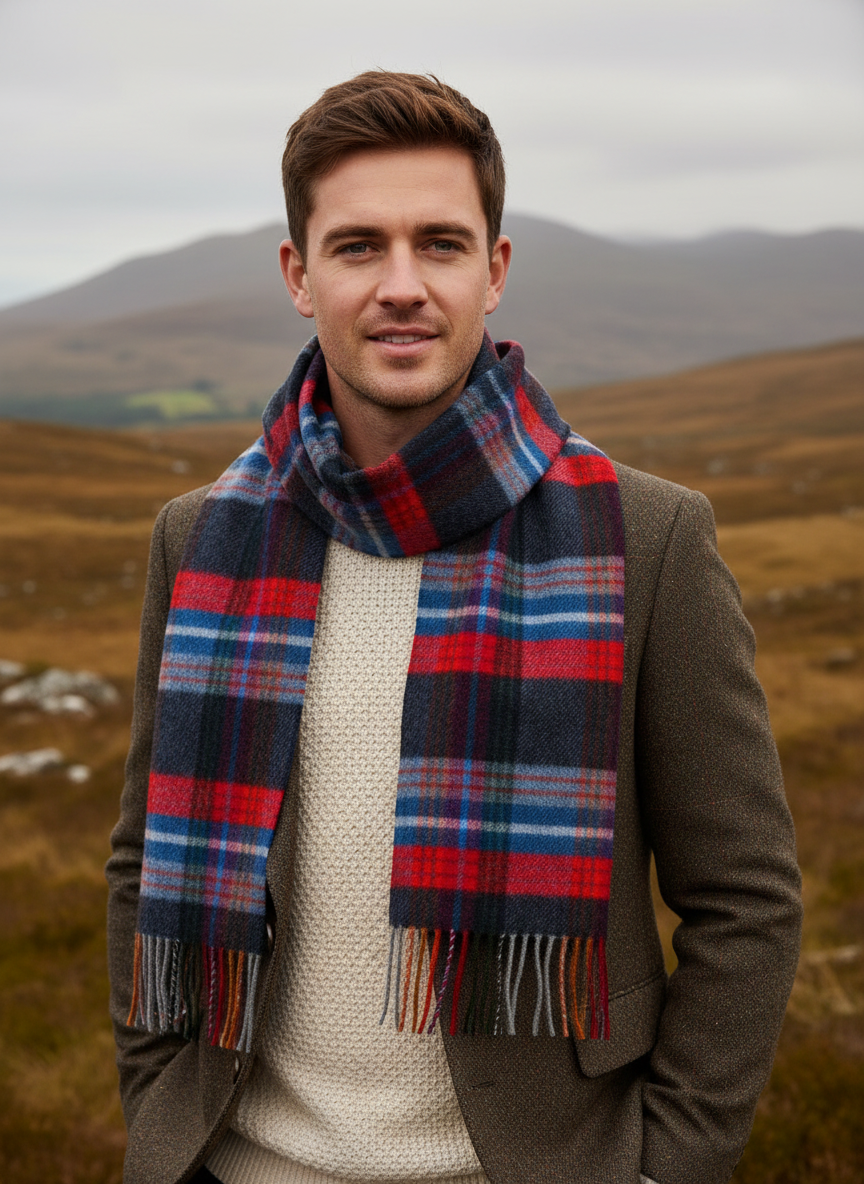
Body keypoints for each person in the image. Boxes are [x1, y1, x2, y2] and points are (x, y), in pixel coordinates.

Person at [106, 71, 802, 1184]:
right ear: (299, 275)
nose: (401, 285)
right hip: (238, 1160)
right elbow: (146, 859)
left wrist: (667, 1164)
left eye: (438, 242)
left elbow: (747, 896)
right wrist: (157, 1103)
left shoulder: (650, 537)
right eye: (355, 246)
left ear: (495, 268)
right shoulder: (199, 539)